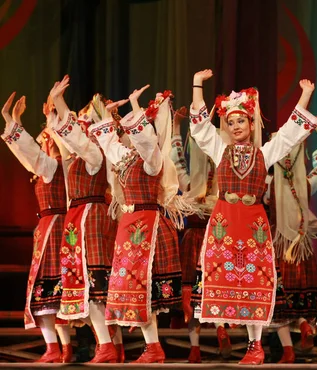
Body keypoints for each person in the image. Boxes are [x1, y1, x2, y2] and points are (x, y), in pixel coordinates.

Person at [188, 69, 317, 365]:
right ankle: (233, 335)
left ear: (251, 123)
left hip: (252, 224)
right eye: (230, 122)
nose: (235, 126)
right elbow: (199, 127)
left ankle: (255, 345)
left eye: (241, 121)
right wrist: (198, 85)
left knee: (254, 280)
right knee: (225, 276)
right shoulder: (220, 149)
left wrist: (306, 95)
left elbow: (290, 133)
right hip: (224, 221)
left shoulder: (265, 152)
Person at [89, 84, 185, 363]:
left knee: (142, 286)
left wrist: (134, 105)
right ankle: (152, 347)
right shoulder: (126, 159)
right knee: (131, 286)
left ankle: (153, 347)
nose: (129, 135)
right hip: (129, 226)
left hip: (147, 226)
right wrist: (107, 118)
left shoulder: (152, 160)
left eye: (135, 130)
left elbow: (145, 140)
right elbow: (109, 144)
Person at [48, 77, 123, 363]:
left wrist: (60, 103)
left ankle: (107, 345)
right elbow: (64, 140)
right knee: (86, 286)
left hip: (90, 220)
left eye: (87, 121)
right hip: (77, 219)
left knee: (94, 286)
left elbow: (75, 140)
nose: (81, 125)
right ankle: (108, 345)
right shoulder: (79, 155)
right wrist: (53, 115)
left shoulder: (94, 153)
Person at [1, 92, 72, 363]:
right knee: (52, 293)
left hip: (55, 229)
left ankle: (59, 349)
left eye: (49, 141)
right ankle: (58, 349)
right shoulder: (48, 168)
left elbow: (29, 153)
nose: (46, 144)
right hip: (50, 229)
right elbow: (27, 155)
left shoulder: (55, 167)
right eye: (46, 141)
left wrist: (14, 122)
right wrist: (14, 121)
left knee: (51, 290)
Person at [268, 118, 317, 363]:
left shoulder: (267, 184)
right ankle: (305, 324)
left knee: (279, 303)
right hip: (302, 250)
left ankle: (287, 350)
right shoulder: (305, 183)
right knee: (301, 297)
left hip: (277, 248)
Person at [170, 107, 231, 362]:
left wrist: (174, 128)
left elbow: (176, 160)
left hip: (195, 237)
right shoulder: (225, 177)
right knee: (214, 288)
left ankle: (194, 348)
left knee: (191, 292)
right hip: (216, 236)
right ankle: (219, 328)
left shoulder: (189, 184)